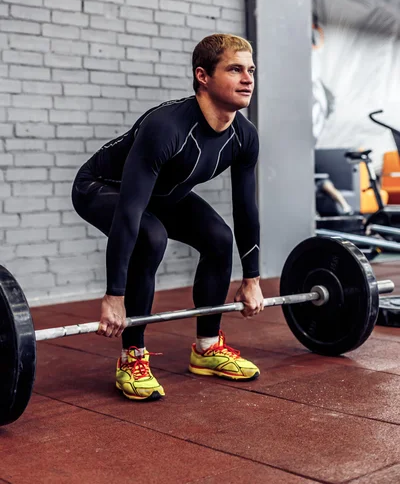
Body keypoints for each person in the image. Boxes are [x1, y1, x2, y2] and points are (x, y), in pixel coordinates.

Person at [72, 33, 264, 402]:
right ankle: (132, 357)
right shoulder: (167, 126)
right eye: (235, 69)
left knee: (219, 239)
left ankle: (207, 348)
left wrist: (251, 278)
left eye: (251, 70)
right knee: (150, 235)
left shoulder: (244, 136)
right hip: (100, 187)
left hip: (161, 194)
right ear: (202, 76)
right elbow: (130, 212)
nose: (248, 79)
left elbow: (246, 207)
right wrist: (115, 296)